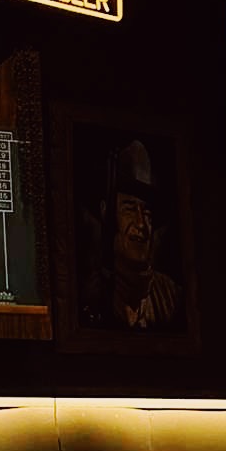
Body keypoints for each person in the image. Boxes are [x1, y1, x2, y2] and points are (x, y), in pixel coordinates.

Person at [79, 138, 180, 330]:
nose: (141, 224)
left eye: (148, 213)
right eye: (129, 209)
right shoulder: (91, 293)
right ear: (106, 213)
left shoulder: (170, 295)